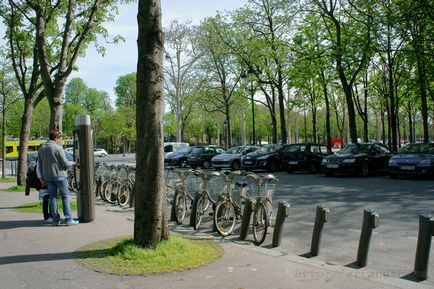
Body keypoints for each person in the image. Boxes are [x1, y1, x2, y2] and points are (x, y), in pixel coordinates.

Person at [38, 129, 78, 226]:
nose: (60, 140)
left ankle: (55, 219)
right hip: (60, 176)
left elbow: (40, 164)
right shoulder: (57, 148)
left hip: (48, 177)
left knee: (53, 198)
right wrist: (73, 163)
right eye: (60, 138)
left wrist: (42, 177)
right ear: (56, 138)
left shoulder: (42, 148)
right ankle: (68, 219)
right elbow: (65, 162)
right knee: (65, 197)